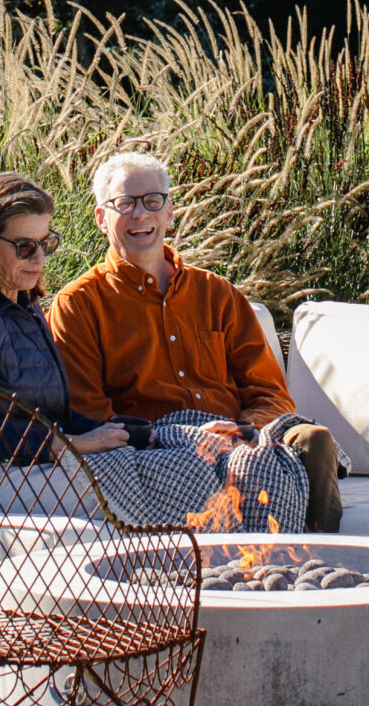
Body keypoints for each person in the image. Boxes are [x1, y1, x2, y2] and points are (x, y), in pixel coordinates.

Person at [47, 151, 343, 533]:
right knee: (193, 466)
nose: (141, 214)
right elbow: (90, 413)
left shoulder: (216, 293)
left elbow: (270, 393)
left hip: (243, 434)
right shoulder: (80, 304)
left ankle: (319, 558)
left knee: (312, 439)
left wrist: (242, 432)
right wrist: (183, 440)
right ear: (102, 218)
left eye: (153, 201)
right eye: (125, 203)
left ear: (169, 211)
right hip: (159, 445)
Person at [0, 172, 129, 467]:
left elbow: (54, 416)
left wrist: (117, 431)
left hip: (33, 465)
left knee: (177, 455)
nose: (40, 259)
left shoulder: (24, 305)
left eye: (46, 244)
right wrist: (71, 445)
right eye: (25, 247)